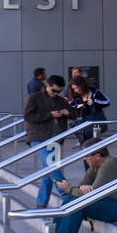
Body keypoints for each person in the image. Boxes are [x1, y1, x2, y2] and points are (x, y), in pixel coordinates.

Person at [23, 74, 71, 208]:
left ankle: (41, 203)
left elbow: (74, 113)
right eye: (54, 90)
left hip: (55, 138)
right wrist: (50, 115)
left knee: (48, 170)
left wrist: (68, 112)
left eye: (59, 91)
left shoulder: (61, 100)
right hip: (37, 137)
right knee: (51, 166)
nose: (56, 93)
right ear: (47, 86)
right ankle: (66, 192)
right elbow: (28, 115)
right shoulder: (34, 98)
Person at [68, 75, 110, 139]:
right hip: (84, 121)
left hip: (97, 119)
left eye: (76, 88)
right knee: (74, 125)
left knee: (87, 133)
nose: (75, 90)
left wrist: (94, 102)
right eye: (73, 89)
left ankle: (86, 144)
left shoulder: (95, 92)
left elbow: (107, 102)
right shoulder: (75, 97)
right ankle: (84, 144)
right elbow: (69, 107)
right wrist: (77, 107)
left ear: (81, 86)